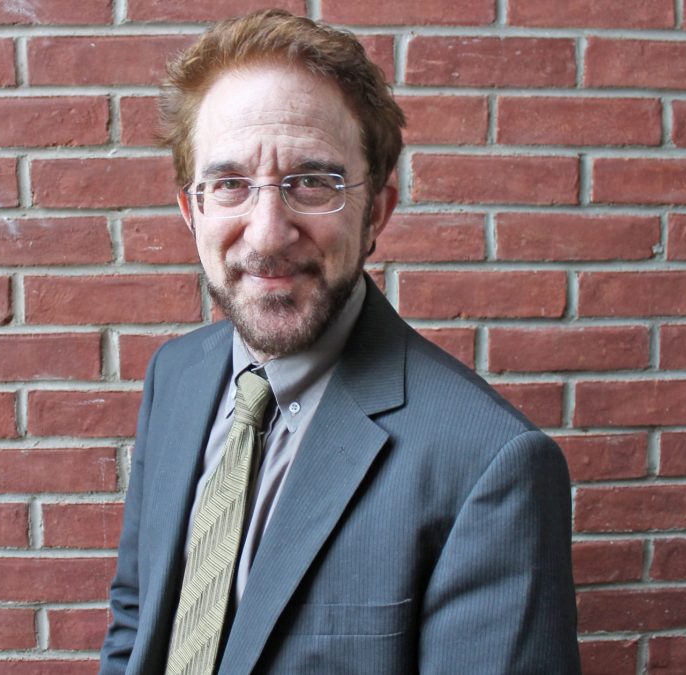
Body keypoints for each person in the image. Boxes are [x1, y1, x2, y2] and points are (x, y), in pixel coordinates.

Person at [100, 9, 580, 674]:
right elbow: (137, 620)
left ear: (376, 210)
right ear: (193, 210)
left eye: (313, 182)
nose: (268, 233)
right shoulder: (175, 376)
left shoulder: (490, 467)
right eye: (230, 183)